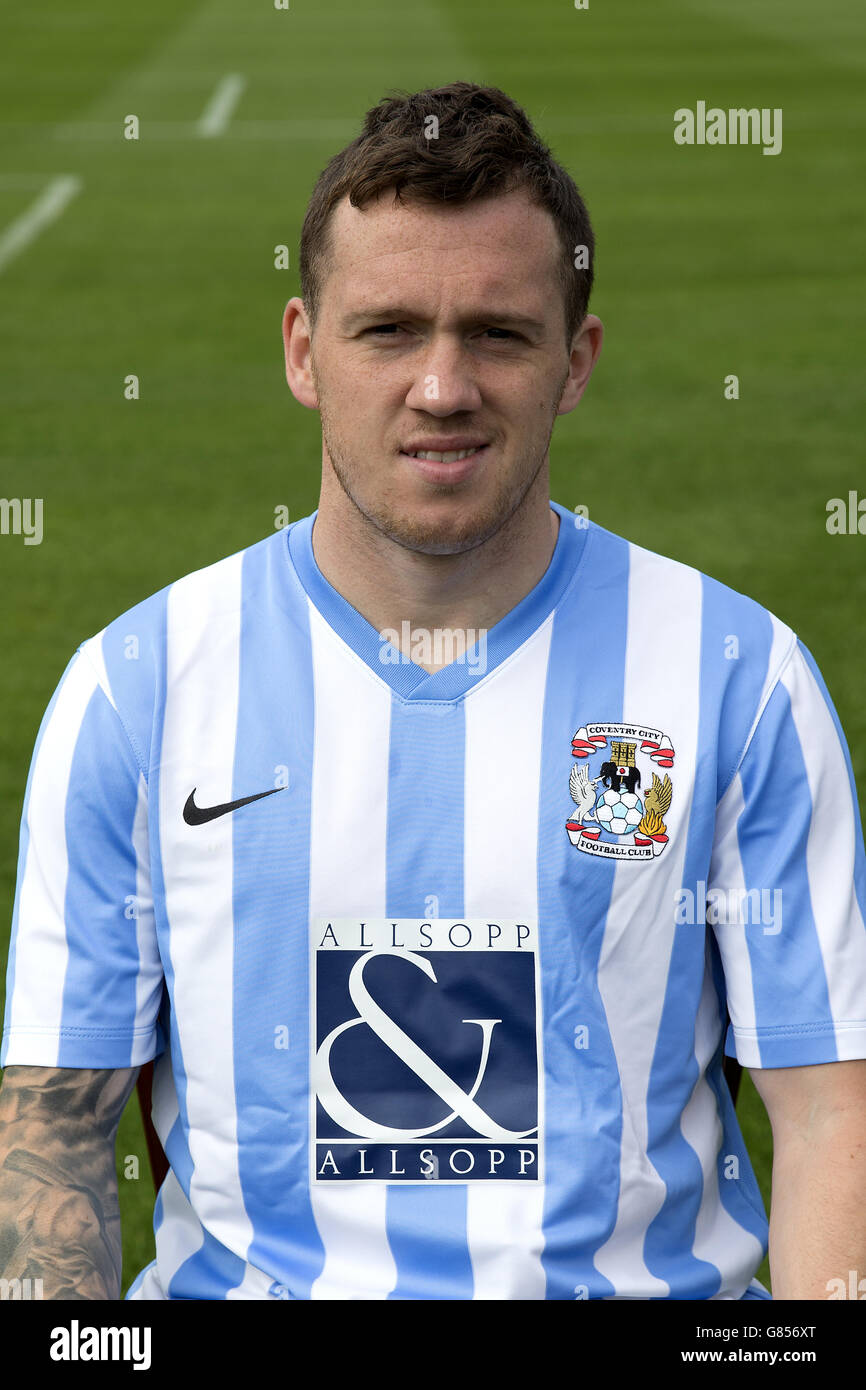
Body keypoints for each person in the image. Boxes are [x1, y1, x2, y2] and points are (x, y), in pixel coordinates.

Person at [1, 81, 865, 1302]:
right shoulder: (136, 692)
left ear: (575, 360)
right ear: (305, 350)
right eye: (388, 330)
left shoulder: (734, 677)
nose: (442, 387)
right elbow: (55, 1129)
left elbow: (831, 1108)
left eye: (499, 334)